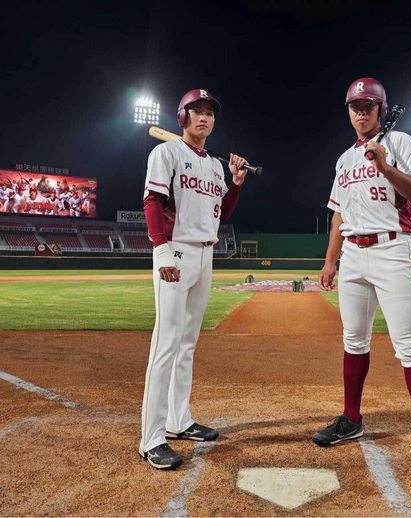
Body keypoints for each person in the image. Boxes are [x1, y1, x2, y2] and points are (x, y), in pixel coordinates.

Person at [314, 77, 411, 483]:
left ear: (381, 110)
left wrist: (385, 166)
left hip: (392, 249)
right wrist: (330, 261)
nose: (361, 112)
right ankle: (351, 418)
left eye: (368, 106)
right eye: (355, 106)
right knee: (354, 341)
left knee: (408, 346)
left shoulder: (400, 143)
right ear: (348, 112)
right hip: (353, 255)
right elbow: (338, 215)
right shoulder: (343, 160)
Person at [139, 88, 248, 470]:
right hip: (176, 251)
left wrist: (236, 182)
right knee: (166, 343)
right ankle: (151, 438)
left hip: (206, 254)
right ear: (182, 117)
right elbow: (152, 202)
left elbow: (223, 213)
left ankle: (178, 420)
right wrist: (161, 250)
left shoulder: (215, 166)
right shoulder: (166, 153)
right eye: (196, 111)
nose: (204, 117)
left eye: (209, 113)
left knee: (187, 344)